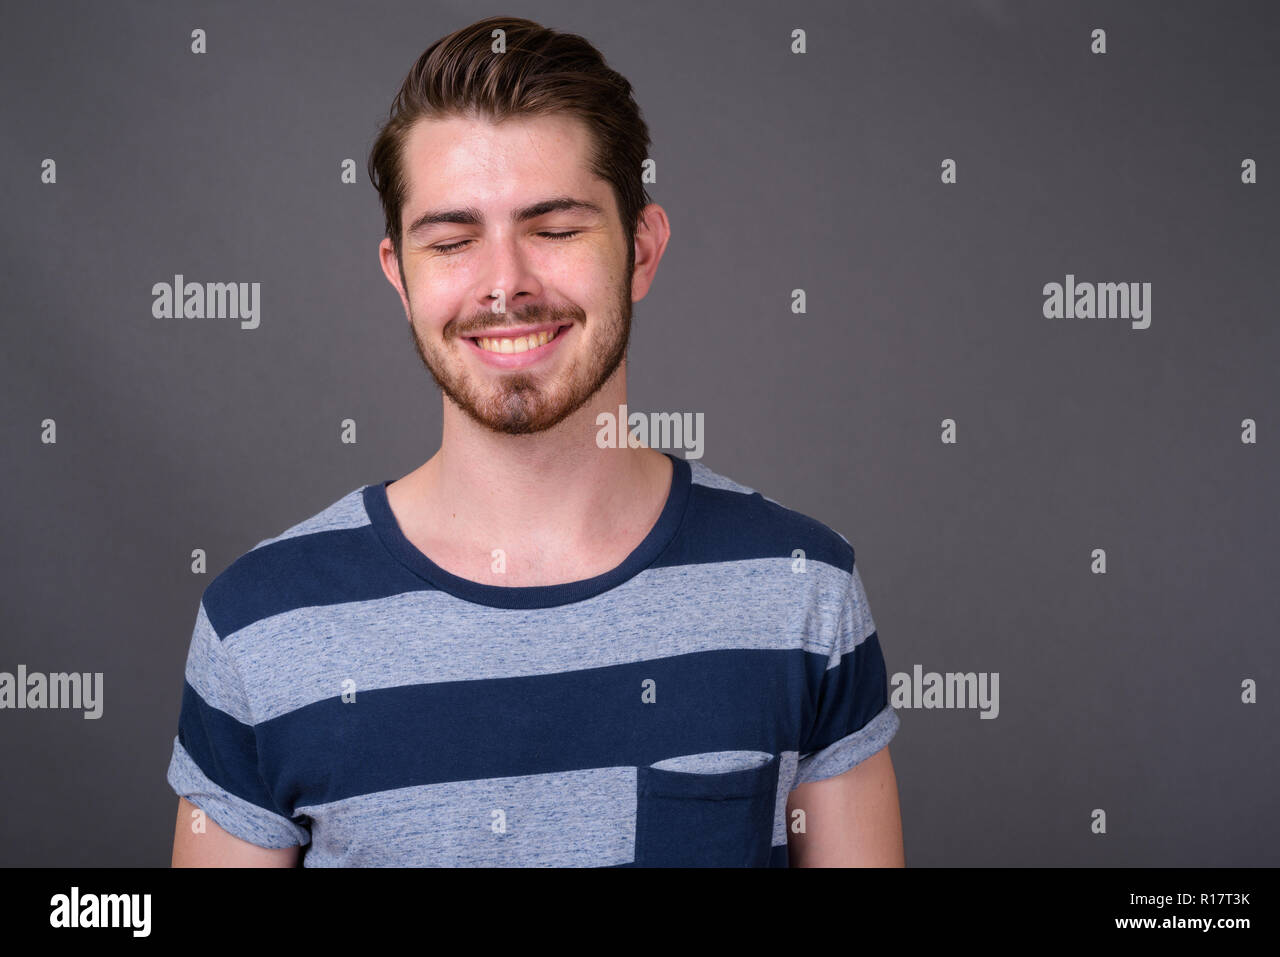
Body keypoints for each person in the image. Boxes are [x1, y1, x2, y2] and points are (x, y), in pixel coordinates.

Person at [167, 15, 903, 867]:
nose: (505, 284)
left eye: (555, 230)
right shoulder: (260, 626)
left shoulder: (802, 593)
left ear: (641, 249)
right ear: (399, 278)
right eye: (451, 241)